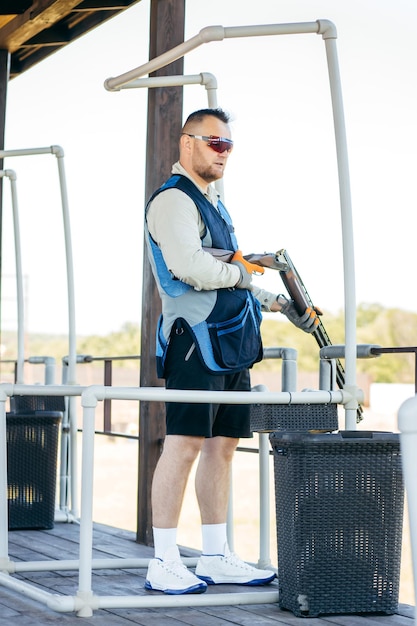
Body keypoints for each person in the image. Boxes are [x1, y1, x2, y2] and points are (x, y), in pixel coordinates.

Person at [144, 108, 318, 595]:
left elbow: (232, 276)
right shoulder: (173, 202)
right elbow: (194, 269)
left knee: (222, 448)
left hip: (230, 343)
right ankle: (163, 561)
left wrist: (280, 303)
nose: (223, 153)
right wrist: (248, 271)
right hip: (194, 342)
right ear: (187, 144)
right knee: (183, 445)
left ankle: (216, 557)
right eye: (214, 143)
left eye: (229, 146)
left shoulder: (214, 203)